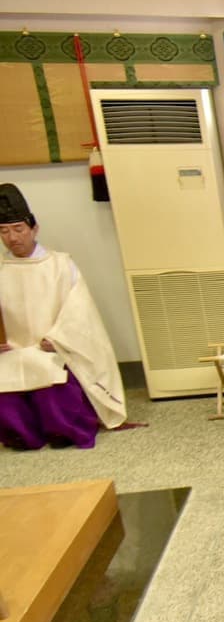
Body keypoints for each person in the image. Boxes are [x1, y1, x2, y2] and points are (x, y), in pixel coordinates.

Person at [0, 183, 126, 450]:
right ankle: (23, 437)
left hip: (51, 347)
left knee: (50, 381)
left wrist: (58, 338)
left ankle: (62, 431)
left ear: (34, 228)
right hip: (11, 349)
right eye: (4, 231)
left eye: (18, 229)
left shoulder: (59, 264)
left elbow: (79, 311)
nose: (12, 238)